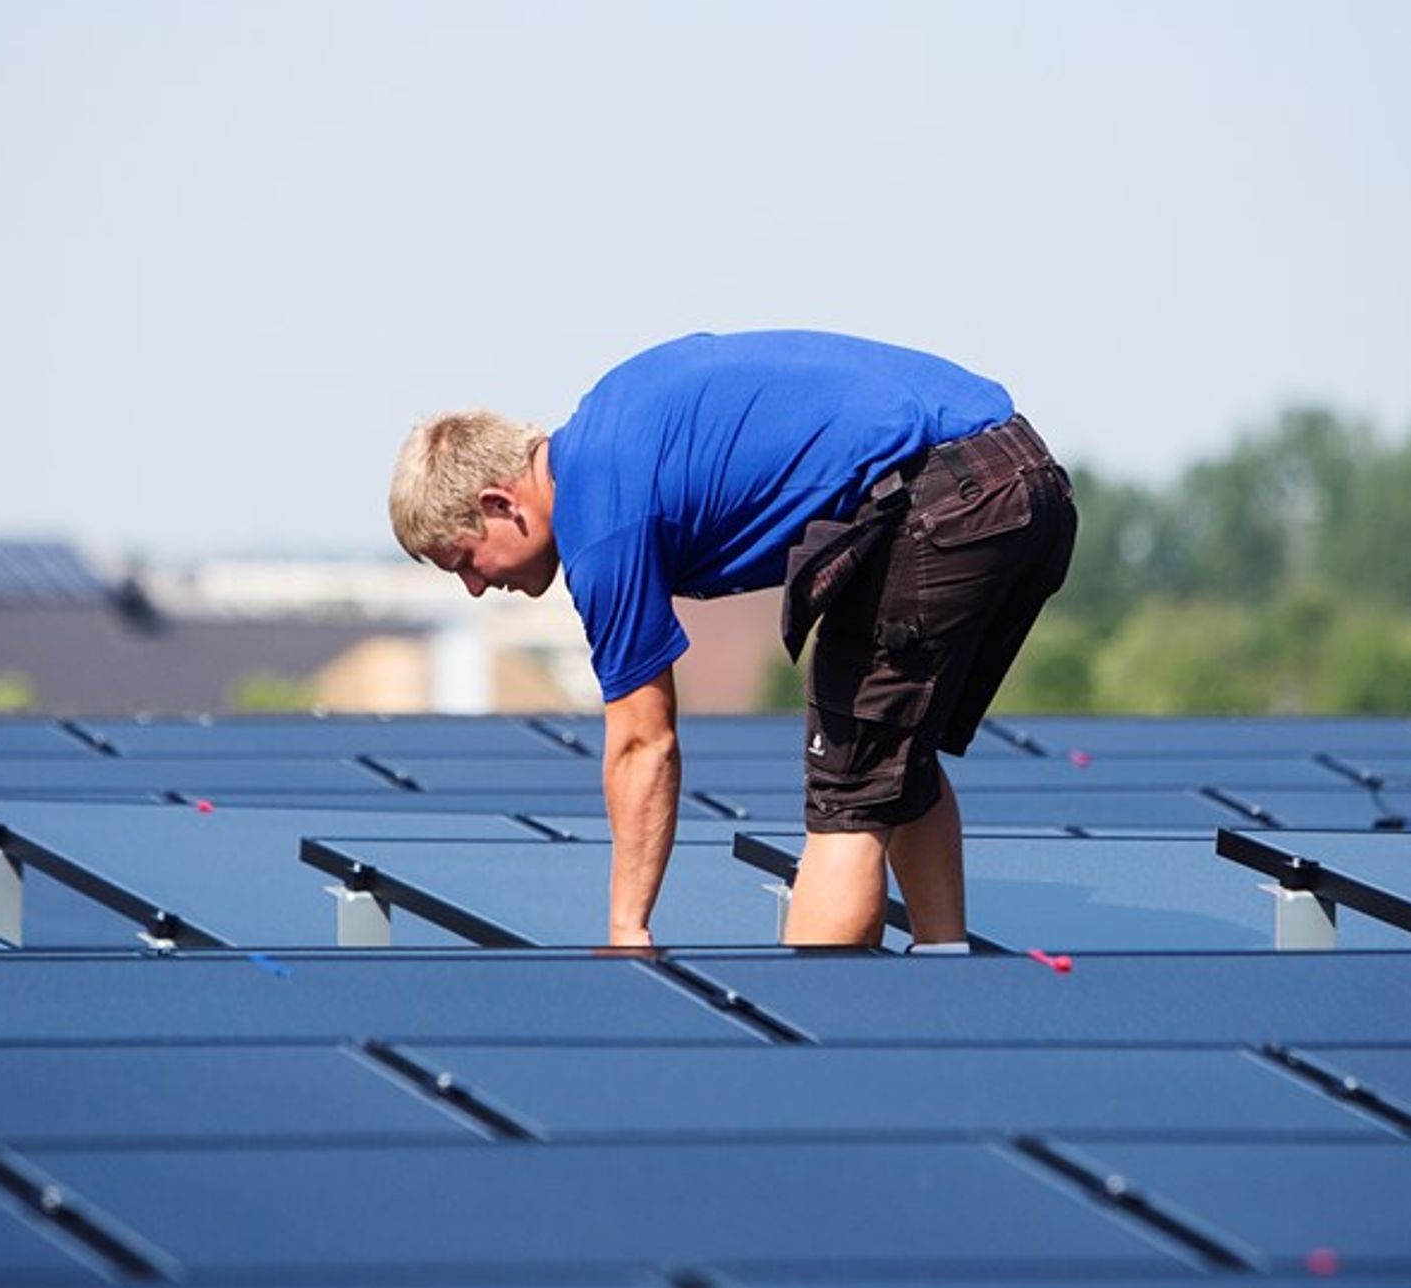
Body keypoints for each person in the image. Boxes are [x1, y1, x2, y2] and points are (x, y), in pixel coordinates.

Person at [388, 330, 1076, 948]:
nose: (474, 588)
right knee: (894, 755)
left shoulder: (600, 521)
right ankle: (945, 968)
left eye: (464, 561)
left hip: (946, 495)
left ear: (499, 504)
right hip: (1022, 474)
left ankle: (822, 1040)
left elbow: (644, 743)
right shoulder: (608, 422)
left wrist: (627, 929)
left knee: (848, 795)